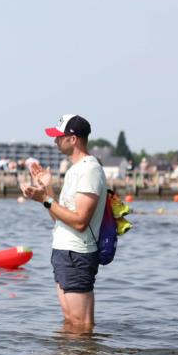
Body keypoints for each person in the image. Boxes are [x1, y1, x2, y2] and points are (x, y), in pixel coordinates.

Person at [22, 114, 107, 333]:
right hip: (64, 252)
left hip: (77, 253)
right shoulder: (74, 170)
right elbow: (59, 217)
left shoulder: (90, 170)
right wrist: (46, 188)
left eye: (59, 136)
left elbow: (80, 221)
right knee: (70, 321)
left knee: (81, 324)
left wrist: (46, 199)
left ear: (73, 139)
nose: (55, 141)